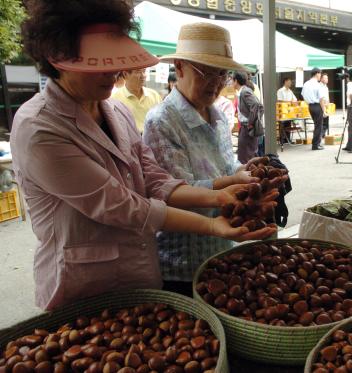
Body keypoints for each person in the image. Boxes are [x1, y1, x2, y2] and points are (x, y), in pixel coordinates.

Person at [12, 1, 276, 310]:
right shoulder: (39, 127)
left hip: (140, 274)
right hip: (81, 286)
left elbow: (154, 179)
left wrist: (220, 198)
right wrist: (212, 225)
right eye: (98, 62)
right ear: (57, 59)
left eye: (114, 60)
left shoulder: (117, 111)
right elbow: (119, 206)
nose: (114, 71)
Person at [143, 23, 271, 293]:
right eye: (206, 73)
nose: (216, 83)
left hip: (221, 251)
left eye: (222, 74)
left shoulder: (219, 116)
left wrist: (246, 171)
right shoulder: (162, 120)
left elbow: (227, 166)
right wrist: (232, 180)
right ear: (179, 67)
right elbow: (176, 192)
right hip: (181, 263)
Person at [112, 68, 162, 133]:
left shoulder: (154, 95)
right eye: (138, 72)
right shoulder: (115, 98)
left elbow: (162, 119)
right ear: (125, 74)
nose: (143, 75)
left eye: (144, 71)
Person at [233, 71, 263, 163]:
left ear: (236, 81)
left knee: (246, 156)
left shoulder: (244, 91)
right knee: (247, 154)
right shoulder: (243, 91)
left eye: (232, 80)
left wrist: (251, 122)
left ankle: (251, 174)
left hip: (247, 127)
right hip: (245, 127)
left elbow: (257, 105)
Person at [301, 68, 326, 150]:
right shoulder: (317, 85)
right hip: (317, 105)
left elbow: (303, 95)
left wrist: (309, 102)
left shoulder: (306, 84)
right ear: (317, 74)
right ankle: (316, 145)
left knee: (316, 125)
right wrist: (324, 110)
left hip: (310, 106)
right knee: (319, 126)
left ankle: (316, 143)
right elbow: (321, 99)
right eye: (320, 74)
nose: (320, 76)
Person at [277, 77, 297, 143]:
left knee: (288, 125)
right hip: (282, 111)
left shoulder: (290, 91)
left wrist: (293, 102)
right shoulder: (280, 91)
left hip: (289, 111)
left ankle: (288, 139)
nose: (290, 83)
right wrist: (289, 102)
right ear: (285, 82)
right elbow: (279, 101)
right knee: (282, 125)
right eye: (289, 82)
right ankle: (282, 140)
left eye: (291, 82)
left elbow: (295, 99)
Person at [320, 73, 330, 138]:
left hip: (326, 106)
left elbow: (327, 97)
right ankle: (320, 135)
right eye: (325, 78)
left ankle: (322, 134)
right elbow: (321, 98)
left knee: (326, 123)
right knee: (322, 122)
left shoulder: (326, 87)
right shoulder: (319, 86)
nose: (327, 79)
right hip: (321, 106)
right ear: (321, 79)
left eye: (327, 78)